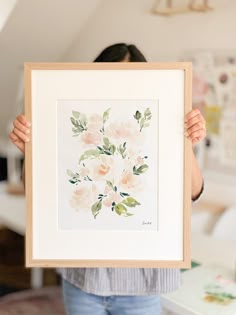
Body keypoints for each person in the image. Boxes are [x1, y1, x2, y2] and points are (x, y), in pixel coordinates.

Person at [9, 43, 206, 315]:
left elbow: (193, 192)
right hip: (84, 280)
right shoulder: (72, 122)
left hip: (142, 283)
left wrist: (187, 142)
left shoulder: (159, 122)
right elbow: (37, 192)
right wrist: (30, 151)